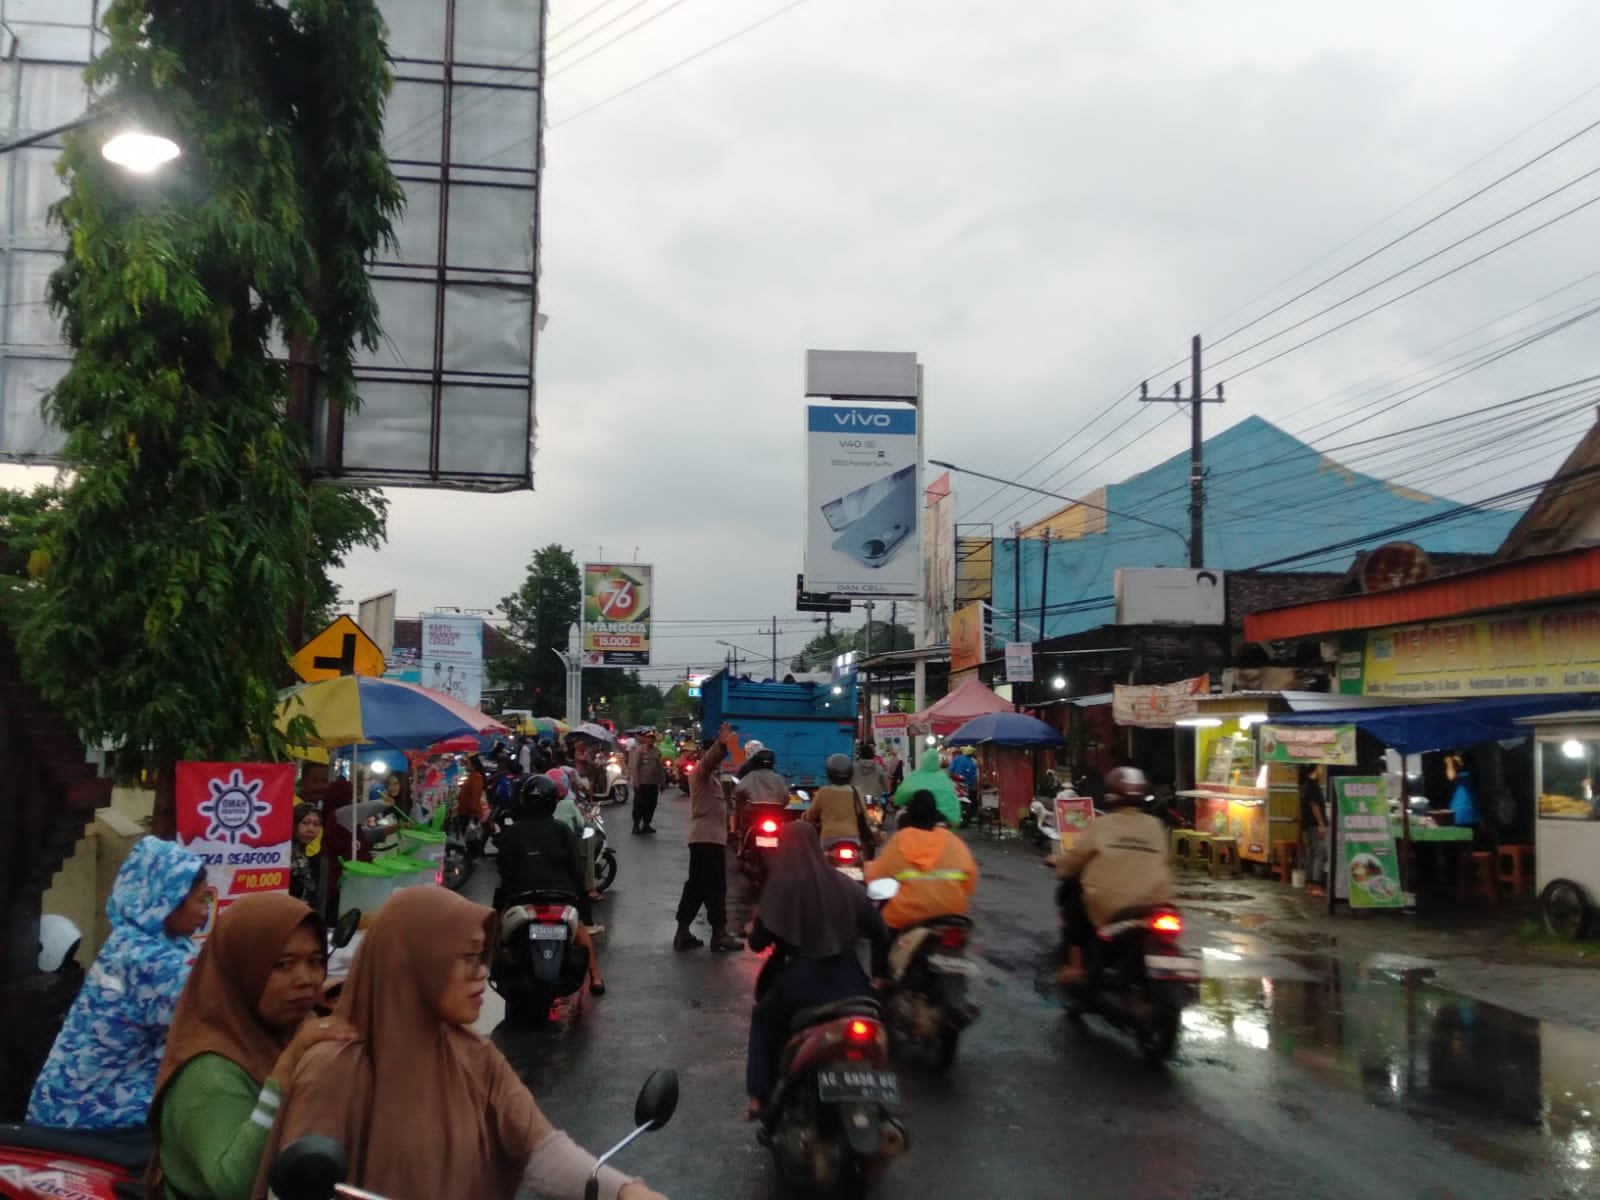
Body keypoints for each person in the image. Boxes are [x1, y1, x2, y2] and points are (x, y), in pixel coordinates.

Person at [255, 889, 667, 1200]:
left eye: (481, 958)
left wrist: (624, 1191)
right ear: (416, 965)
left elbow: (537, 1149)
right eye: (466, 959)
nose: (480, 974)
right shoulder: (336, 1066)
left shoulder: (473, 1053)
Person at [148, 893, 356, 1200]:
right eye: (283, 965)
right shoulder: (209, 1071)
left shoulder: (283, 1031)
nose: (305, 979)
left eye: (315, 961)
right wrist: (286, 1068)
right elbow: (238, 1187)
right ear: (241, 970)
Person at [28, 837, 209, 1131]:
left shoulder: (131, 937)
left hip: (61, 1103)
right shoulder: (150, 960)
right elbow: (219, 1013)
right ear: (169, 898)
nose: (205, 913)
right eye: (201, 899)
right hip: (92, 1114)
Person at [744, 822, 888, 1122]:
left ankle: (759, 1097)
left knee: (763, 1019)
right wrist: (877, 978)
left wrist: (755, 923)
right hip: (852, 985)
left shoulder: (780, 889)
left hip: (801, 986)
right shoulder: (847, 886)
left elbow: (758, 944)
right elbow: (880, 933)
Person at [1054, 765, 1173, 987]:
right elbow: (1166, 860)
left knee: (1072, 902)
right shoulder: (1156, 826)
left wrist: (1060, 864)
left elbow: (1074, 860)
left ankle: (1076, 966)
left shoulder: (1101, 826)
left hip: (1110, 908)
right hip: (1155, 902)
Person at [496, 776, 605, 995]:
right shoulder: (562, 830)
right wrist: (581, 897)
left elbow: (504, 868)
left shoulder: (513, 832)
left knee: (497, 928)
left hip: (522, 897)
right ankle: (596, 978)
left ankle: (490, 970)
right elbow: (576, 867)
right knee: (581, 929)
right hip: (561, 896)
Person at [865, 790, 978, 931]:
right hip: (950, 913)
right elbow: (969, 882)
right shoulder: (954, 842)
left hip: (905, 916)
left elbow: (876, 876)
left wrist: (868, 868)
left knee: (879, 935)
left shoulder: (900, 841)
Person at [676, 724, 741, 952]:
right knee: (716, 887)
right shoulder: (700, 773)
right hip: (707, 841)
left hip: (708, 840)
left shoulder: (712, 780)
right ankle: (719, 934)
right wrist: (722, 744)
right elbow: (709, 761)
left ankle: (682, 932)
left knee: (696, 887)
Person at [803, 753, 875, 849]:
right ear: (850, 773)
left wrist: (804, 817)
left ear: (829, 773)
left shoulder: (824, 791)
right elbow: (864, 816)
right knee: (861, 859)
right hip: (853, 838)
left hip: (828, 838)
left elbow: (811, 815)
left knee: (821, 861)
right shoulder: (856, 791)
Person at [892, 750, 962, 828]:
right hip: (945, 823)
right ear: (938, 762)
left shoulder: (914, 777)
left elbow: (899, 798)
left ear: (923, 761)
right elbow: (954, 802)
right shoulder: (945, 779)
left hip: (918, 822)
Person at [628, 729, 667, 835]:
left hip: (653, 783)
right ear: (645, 739)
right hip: (642, 783)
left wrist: (662, 783)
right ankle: (636, 825)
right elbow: (635, 766)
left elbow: (660, 768)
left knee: (651, 805)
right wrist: (636, 781)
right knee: (639, 805)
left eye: (652, 738)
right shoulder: (639, 750)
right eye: (648, 738)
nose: (650, 740)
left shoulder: (657, 751)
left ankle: (646, 824)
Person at [288, 803, 325, 915]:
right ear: (294, 823)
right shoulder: (284, 854)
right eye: (305, 823)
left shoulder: (306, 854)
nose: (311, 829)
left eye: (316, 824)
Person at [1299, 765, 1329, 895]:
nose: (1322, 771)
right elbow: (1314, 806)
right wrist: (1321, 823)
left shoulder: (1305, 785)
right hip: (1315, 825)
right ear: (1315, 770)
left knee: (1311, 854)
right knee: (1319, 854)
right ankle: (1317, 885)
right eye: (1321, 768)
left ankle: (1310, 884)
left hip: (1307, 825)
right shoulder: (1313, 786)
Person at [458, 753, 489, 823]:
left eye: (468, 763)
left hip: (470, 814)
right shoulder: (472, 776)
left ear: (474, 766)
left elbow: (475, 797)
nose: (466, 765)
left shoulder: (476, 778)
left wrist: (473, 815)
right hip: (466, 812)